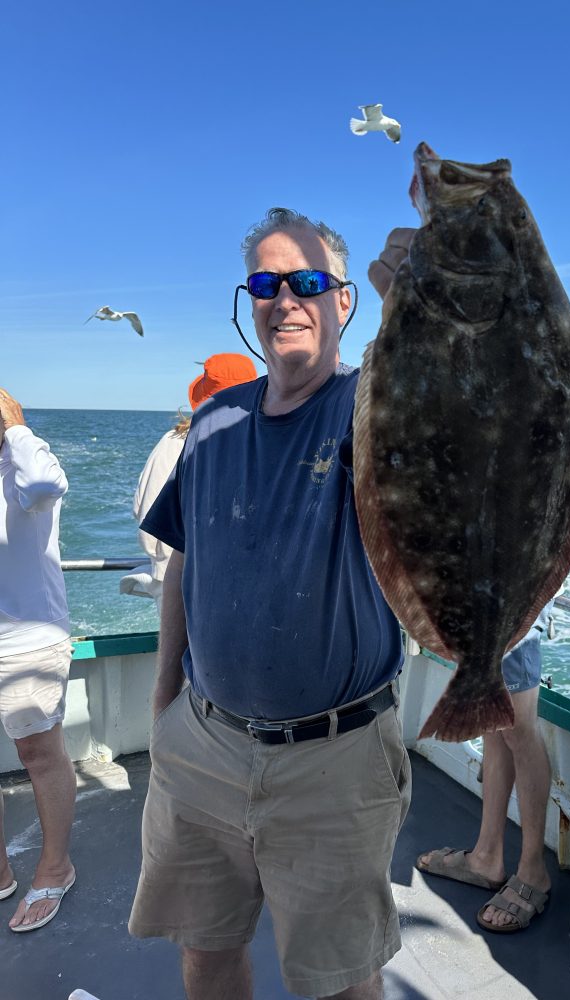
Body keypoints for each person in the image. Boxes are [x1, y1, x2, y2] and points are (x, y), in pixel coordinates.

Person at [128, 209, 413, 1000]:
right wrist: (164, 703)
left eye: (308, 282)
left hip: (336, 760)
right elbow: (186, 560)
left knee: (340, 980)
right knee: (204, 948)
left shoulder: (372, 409)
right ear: (248, 301)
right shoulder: (213, 421)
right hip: (201, 743)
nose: (285, 298)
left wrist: (417, 301)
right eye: (266, 283)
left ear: (345, 303)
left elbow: (449, 407)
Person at [416, 604, 554, 933]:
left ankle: (533, 870)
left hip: (512, 602)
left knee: (519, 728)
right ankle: (486, 856)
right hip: (480, 602)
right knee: (494, 720)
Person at [0, 387, 77, 932]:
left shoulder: (27, 461)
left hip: (29, 638)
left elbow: (50, 485)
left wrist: (16, 427)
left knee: (38, 754)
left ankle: (56, 867)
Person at [120, 353, 257, 614]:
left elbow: (148, 520)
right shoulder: (255, 443)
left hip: (180, 582)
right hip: (238, 583)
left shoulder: (174, 444)